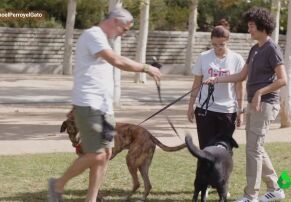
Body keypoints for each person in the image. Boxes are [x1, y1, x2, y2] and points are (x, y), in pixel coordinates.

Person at [48, 8, 161, 202]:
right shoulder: (93, 35)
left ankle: (91, 200)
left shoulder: (103, 40)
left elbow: (91, 74)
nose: (123, 34)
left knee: (106, 154)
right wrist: (146, 67)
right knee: (98, 154)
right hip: (90, 105)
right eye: (124, 30)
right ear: (115, 22)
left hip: (104, 108)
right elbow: (116, 60)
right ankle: (58, 184)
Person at [204, 7, 287, 202]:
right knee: (255, 147)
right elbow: (242, 76)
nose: (248, 30)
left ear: (262, 27)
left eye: (251, 26)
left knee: (253, 150)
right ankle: (276, 188)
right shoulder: (255, 49)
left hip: (265, 104)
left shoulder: (272, 48)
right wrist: (216, 79)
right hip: (253, 104)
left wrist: (259, 92)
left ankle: (251, 196)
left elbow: (283, 80)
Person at [187, 25, 245, 150]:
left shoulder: (237, 59)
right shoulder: (203, 57)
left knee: (224, 151)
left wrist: (240, 110)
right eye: (214, 44)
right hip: (205, 110)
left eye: (221, 44)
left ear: (228, 41)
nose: (218, 48)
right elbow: (196, 83)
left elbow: (239, 86)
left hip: (227, 111)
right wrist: (190, 105)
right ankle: (204, 171)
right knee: (205, 150)